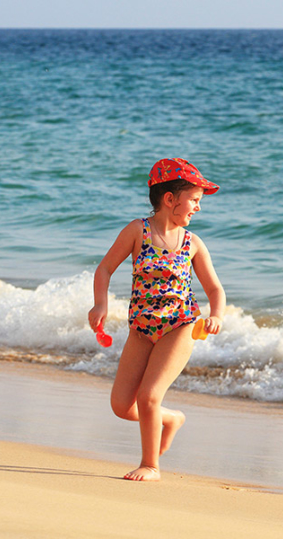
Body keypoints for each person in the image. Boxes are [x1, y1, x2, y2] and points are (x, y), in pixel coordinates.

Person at [88, 158, 226, 482]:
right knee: (122, 405)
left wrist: (216, 315)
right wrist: (99, 305)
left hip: (180, 326)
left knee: (148, 396)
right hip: (141, 329)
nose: (197, 208)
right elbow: (105, 268)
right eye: (193, 200)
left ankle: (151, 465)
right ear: (169, 199)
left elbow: (215, 288)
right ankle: (170, 419)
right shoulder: (138, 231)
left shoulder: (193, 244)